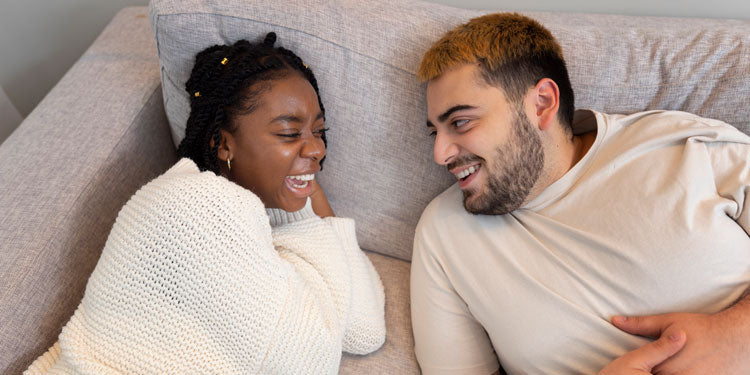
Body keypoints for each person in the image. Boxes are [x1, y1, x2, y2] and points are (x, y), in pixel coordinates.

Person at [410, 13, 750, 375]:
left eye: (460, 122)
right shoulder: (444, 234)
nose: (440, 154)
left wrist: (735, 335)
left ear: (541, 103)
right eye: (436, 132)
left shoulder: (682, 144)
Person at [25, 33, 385, 374]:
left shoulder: (251, 208)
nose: (318, 149)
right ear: (223, 144)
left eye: (318, 131)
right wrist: (312, 208)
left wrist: (309, 190)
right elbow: (311, 361)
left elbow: (364, 332)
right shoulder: (199, 205)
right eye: (290, 133)